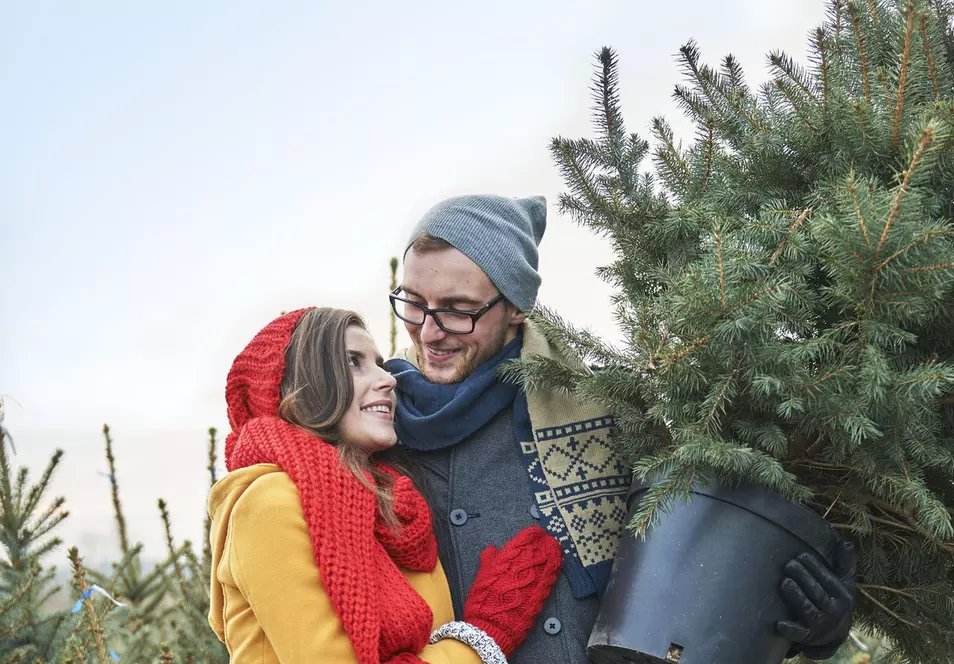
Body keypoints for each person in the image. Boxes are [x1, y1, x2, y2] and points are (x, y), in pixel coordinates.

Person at [385, 195, 858, 663]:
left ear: (517, 307)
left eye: (458, 309)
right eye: (413, 303)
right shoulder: (376, 432)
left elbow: (700, 575)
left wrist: (807, 627)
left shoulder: (611, 411)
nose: (427, 332)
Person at [207, 306, 564, 663]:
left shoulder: (390, 504)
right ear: (297, 388)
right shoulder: (271, 503)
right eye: (353, 362)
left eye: (379, 363)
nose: (388, 379)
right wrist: (483, 637)